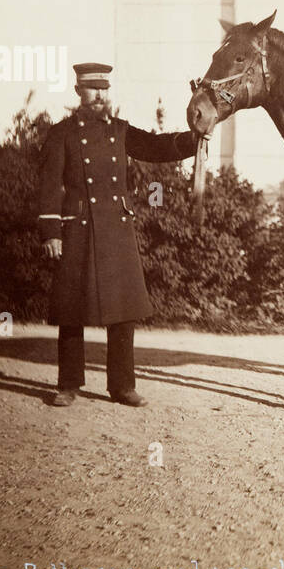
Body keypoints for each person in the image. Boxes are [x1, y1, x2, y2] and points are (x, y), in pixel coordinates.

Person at [38, 62, 200, 407]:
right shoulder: (62, 133)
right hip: (77, 226)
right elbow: (50, 186)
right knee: (71, 309)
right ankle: (68, 384)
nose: (99, 95)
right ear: (78, 91)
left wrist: (192, 138)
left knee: (124, 310)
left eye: (104, 89)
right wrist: (51, 231)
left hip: (116, 227)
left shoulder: (121, 131)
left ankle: (123, 385)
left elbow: (156, 148)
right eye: (91, 89)